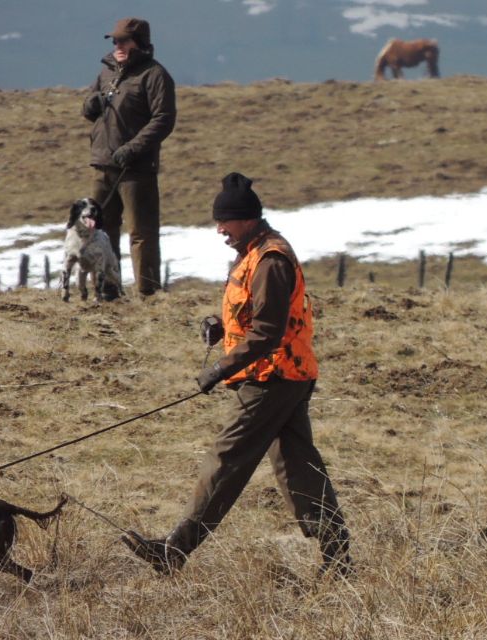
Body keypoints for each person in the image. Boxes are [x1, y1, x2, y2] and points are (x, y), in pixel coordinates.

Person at [122, 172, 352, 577]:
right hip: (284, 375)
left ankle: (175, 551)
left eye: (224, 222)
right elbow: (254, 319)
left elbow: (268, 333)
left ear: (247, 219)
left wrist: (220, 369)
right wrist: (222, 327)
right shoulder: (254, 252)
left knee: (226, 460)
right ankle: (338, 557)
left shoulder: (271, 260)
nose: (219, 230)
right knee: (299, 467)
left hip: (272, 377)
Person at [82, 17, 176, 299]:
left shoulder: (155, 76)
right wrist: (91, 103)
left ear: (140, 43)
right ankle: (108, 290)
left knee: (141, 232)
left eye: (124, 40)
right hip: (102, 164)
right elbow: (88, 109)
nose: (118, 45)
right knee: (101, 229)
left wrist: (133, 149)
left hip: (136, 168)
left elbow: (164, 119)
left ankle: (148, 292)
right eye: (115, 41)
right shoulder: (106, 72)